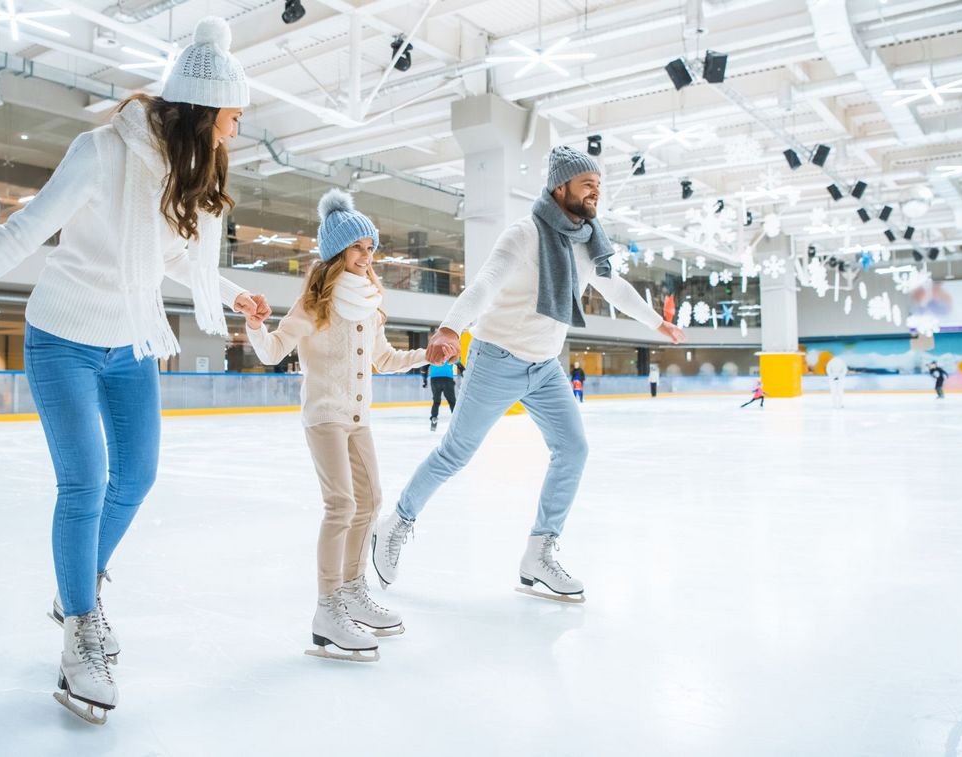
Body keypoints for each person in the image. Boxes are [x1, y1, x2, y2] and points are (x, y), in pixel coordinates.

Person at [0, 16, 269, 725]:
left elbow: (171, 257)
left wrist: (236, 296)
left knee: (136, 476)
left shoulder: (181, 170)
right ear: (204, 110)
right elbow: (26, 228)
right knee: (84, 480)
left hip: (132, 342)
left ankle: (75, 582)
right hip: (62, 338)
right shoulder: (100, 152)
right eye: (233, 116)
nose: (236, 131)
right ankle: (81, 625)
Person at [371, 145, 685, 604]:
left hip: (545, 367)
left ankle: (539, 553)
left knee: (573, 448)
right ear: (561, 187)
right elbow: (485, 283)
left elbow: (612, 285)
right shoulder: (523, 235)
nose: (596, 192)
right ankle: (396, 522)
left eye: (599, 184)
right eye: (587, 184)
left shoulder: (586, 239)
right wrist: (450, 328)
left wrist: (656, 322)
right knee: (455, 453)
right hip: (496, 360)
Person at [245, 189, 427, 662]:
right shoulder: (314, 306)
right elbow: (271, 352)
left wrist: (426, 354)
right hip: (325, 416)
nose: (369, 257)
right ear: (336, 252)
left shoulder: (367, 302)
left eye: (371, 249)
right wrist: (254, 324)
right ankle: (327, 608)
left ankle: (351, 591)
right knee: (341, 504)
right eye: (359, 248)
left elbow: (384, 359)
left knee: (370, 501)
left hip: (358, 419)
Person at [426, 359, 461, 430]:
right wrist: (462, 375)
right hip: (447, 379)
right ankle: (457, 422)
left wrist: (424, 379)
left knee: (436, 401)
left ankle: (434, 418)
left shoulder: (433, 353)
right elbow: (460, 366)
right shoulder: (451, 354)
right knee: (452, 402)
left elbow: (424, 367)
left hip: (435, 379)